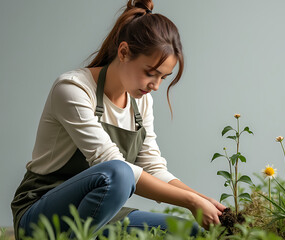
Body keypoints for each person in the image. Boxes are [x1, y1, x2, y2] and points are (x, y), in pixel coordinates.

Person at [10, 0, 226, 239]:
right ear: (123, 52)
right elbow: (113, 167)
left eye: (164, 77)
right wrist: (190, 202)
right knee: (118, 173)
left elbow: (153, 168)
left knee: (188, 231)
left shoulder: (141, 102)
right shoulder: (73, 89)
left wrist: (205, 202)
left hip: (99, 213)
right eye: (150, 73)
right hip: (40, 214)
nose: (155, 85)